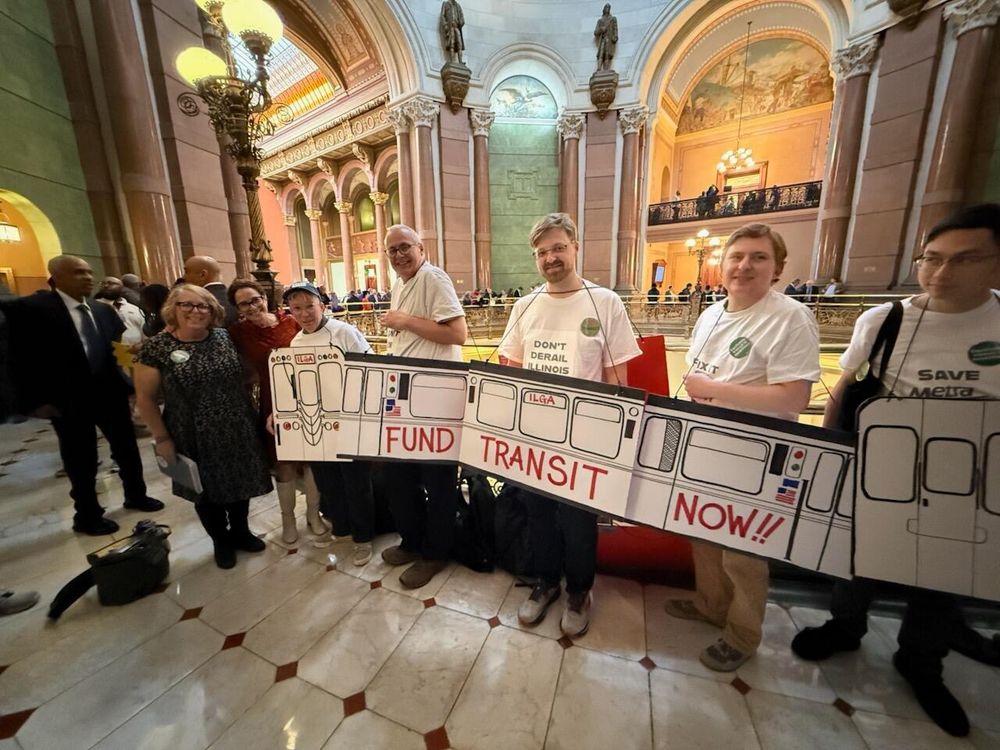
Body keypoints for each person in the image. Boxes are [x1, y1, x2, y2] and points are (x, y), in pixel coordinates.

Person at [790, 203, 1000, 737]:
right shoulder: (885, 319)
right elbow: (845, 388)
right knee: (859, 560)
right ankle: (845, 626)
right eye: (932, 258)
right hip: (882, 471)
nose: (941, 272)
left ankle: (921, 662)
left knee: (942, 577)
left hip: (970, 482)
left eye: (964, 259)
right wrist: (830, 454)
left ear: (996, 264)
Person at [664, 223, 819, 671]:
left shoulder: (790, 317)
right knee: (705, 533)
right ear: (722, 264)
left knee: (746, 552)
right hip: (708, 445)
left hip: (759, 454)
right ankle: (711, 605)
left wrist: (715, 389)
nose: (744, 266)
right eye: (736, 257)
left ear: (777, 268)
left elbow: (794, 397)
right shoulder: (712, 313)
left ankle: (743, 634)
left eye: (758, 257)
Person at [501, 213, 640, 636]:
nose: (550, 258)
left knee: (578, 521)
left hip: (584, 437)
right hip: (535, 435)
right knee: (538, 513)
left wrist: (613, 440)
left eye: (558, 247)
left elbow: (619, 378)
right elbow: (512, 367)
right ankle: (545, 582)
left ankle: (578, 590)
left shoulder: (605, 302)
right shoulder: (525, 305)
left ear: (575, 247)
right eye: (542, 252)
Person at [3, 255, 163, 535]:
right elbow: (18, 359)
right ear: (57, 277)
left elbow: (115, 351)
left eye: (89, 272)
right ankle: (87, 514)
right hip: (67, 398)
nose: (88, 278)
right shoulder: (30, 309)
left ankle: (136, 495)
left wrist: (130, 385)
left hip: (108, 393)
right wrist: (33, 402)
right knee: (81, 458)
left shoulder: (102, 311)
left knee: (126, 448)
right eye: (79, 273)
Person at [134, 284, 272, 568]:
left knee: (239, 482)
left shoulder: (223, 337)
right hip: (191, 431)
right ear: (173, 309)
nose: (195, 311)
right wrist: (162, 439)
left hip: (237, 425)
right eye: (187, 305)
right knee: (205, 492)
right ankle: (221, 539)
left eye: (203, 306)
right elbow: (145, 400)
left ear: (213, 311)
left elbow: (247, 373)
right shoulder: (157, 347)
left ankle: (241, 531)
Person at [377, 224, 467, 589]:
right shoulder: (401, 283)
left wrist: (404, 321)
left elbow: (457, 333)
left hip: (436, 399)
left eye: (404, 248)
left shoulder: (434, 278)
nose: (398, 255)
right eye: (392, 251)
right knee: (398, 477)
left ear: (421, 248)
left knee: (437, 481)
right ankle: (413, 541)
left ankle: (436, 553)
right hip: (405, 397)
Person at [281, 282, 377, 566]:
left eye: (309, 306)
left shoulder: (344, 332)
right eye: (297, 308)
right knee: (329, 481)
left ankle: (363, 538)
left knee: (356, 483)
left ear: (322, 305)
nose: (305, 314)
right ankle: (342, 529)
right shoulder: (296, 342)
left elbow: (369, 369)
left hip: (349, 421)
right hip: (317, 424)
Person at [227, 279, 313, 547]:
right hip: (269, 402)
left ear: (265, 297)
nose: (252, 306)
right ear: (237, 308)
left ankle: (314, 515)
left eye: (255, 299)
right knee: (283, 462)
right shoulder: (237, 333)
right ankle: (288, 520)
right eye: (244, 303)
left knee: (311, 459)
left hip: (304, 396)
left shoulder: (290, 322)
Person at [184, 255, 237, 326]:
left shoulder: (196, 302)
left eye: (186, 272)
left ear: (202, 275)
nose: (183, 277)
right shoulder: (236, 297)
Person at [96, 276, 146, 346]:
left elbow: (144, 332)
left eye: (111, 283)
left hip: (135, 352)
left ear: (122, 287)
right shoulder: (94, 308)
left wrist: (142, 345)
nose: (106, 286)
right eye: (103, 283)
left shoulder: (134, 308)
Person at [440, 0, 465, 64]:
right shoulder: (446, 4)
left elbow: (462, 18)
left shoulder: (458, 6)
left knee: (459, 43)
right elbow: (443, 16)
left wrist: (460, 23)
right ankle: (452, 61)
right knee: (451, 43)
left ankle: (460, 61)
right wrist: (445, 25)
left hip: (457, 27)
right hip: (450, 27)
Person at [594, 3, 618, 71]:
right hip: (602, 39)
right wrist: (601, 29)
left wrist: (615, 36)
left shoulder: (613, 19)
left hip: (609, 39)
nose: (607, 9)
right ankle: (599, 68)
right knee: (601, 53)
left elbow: (615, 28)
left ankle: (606, 69)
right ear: (604, 9)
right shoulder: (600, 21)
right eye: (606, 8)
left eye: (608, 8)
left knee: (607, 54)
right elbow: (595, 32)